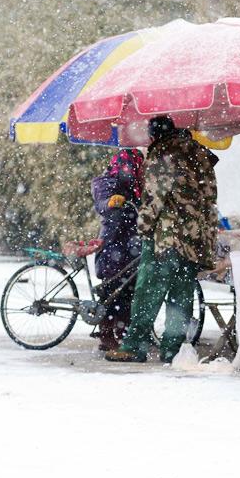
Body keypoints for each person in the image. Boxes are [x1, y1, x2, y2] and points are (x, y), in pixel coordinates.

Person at [107, 116, 219, 363]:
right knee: (181, 296)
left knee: (148, 292)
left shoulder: (164, 154)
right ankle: (172, 349)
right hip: (193, 240)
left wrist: (143, 227)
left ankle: (134, 345)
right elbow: (210, 198)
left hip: (166, 239)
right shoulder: (200, 156)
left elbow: (154, 198)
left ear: (154, 135)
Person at [90, 148, 145, 352]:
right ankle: (105, 334)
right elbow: (102, 204)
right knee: (111, 290)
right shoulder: (106, 182)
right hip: (112, 242)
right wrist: (111, 202)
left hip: (130, 243)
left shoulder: (135, 185)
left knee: (128, 289)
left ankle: (123, 331)